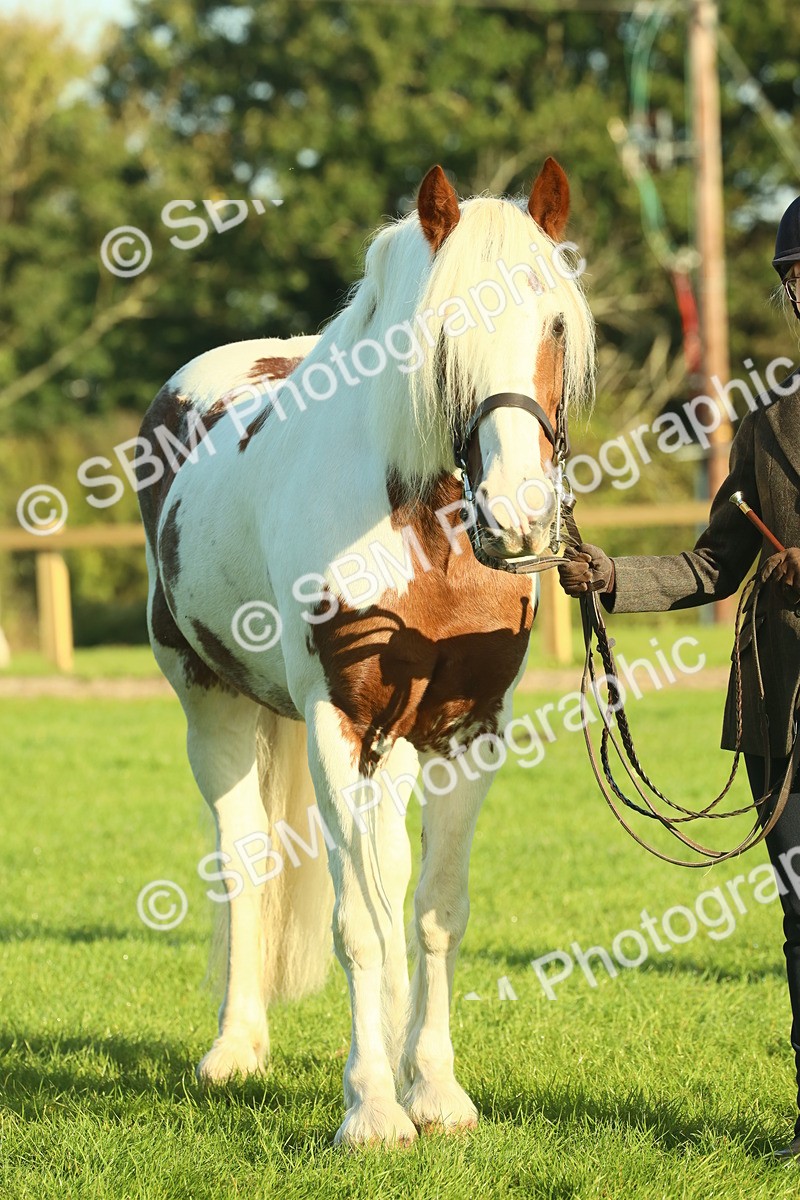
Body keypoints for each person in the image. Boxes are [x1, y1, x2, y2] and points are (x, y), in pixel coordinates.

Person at [558, 196, 800, 1159]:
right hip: (782, 720)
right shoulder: (766, 429)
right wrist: (613, 577)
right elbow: (713, 567)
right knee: (797, 916)